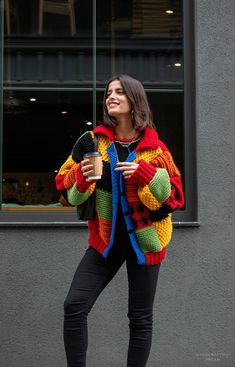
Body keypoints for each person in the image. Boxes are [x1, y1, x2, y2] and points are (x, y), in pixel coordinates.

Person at [55, 74, 184, 367]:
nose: (111, 96)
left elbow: (174, 196)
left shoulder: (156, 148)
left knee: (140, 318)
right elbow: (65, 188)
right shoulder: (93, 142)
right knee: (74, 305)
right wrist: (84, 175)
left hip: (146, 242)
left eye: (119, 92)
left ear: (134, 100)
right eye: (108, 92)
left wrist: (145, 174)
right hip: (105, 241)